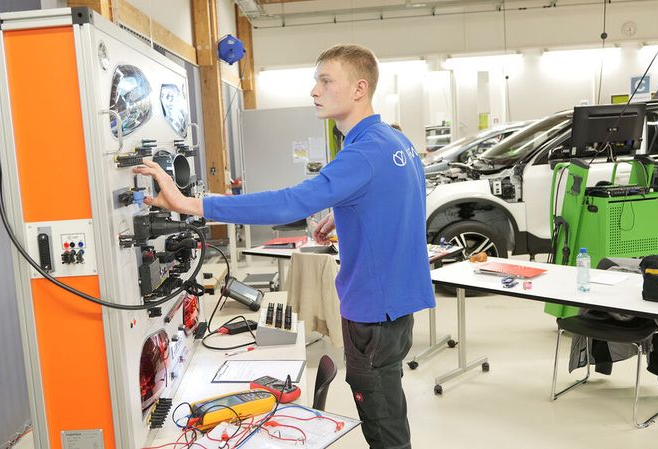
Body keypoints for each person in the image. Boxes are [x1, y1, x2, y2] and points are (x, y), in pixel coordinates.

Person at [135, 44, 435, 449]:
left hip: (372, 312)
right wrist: (343, 215)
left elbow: (289, 201)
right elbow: (400, 201)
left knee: (383, 427)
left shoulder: (362, 153)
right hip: (398, 306)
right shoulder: (396, 142)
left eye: (326, 81)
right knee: (390, 407)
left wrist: (193, 204)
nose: (315, 90)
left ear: (359, 88)